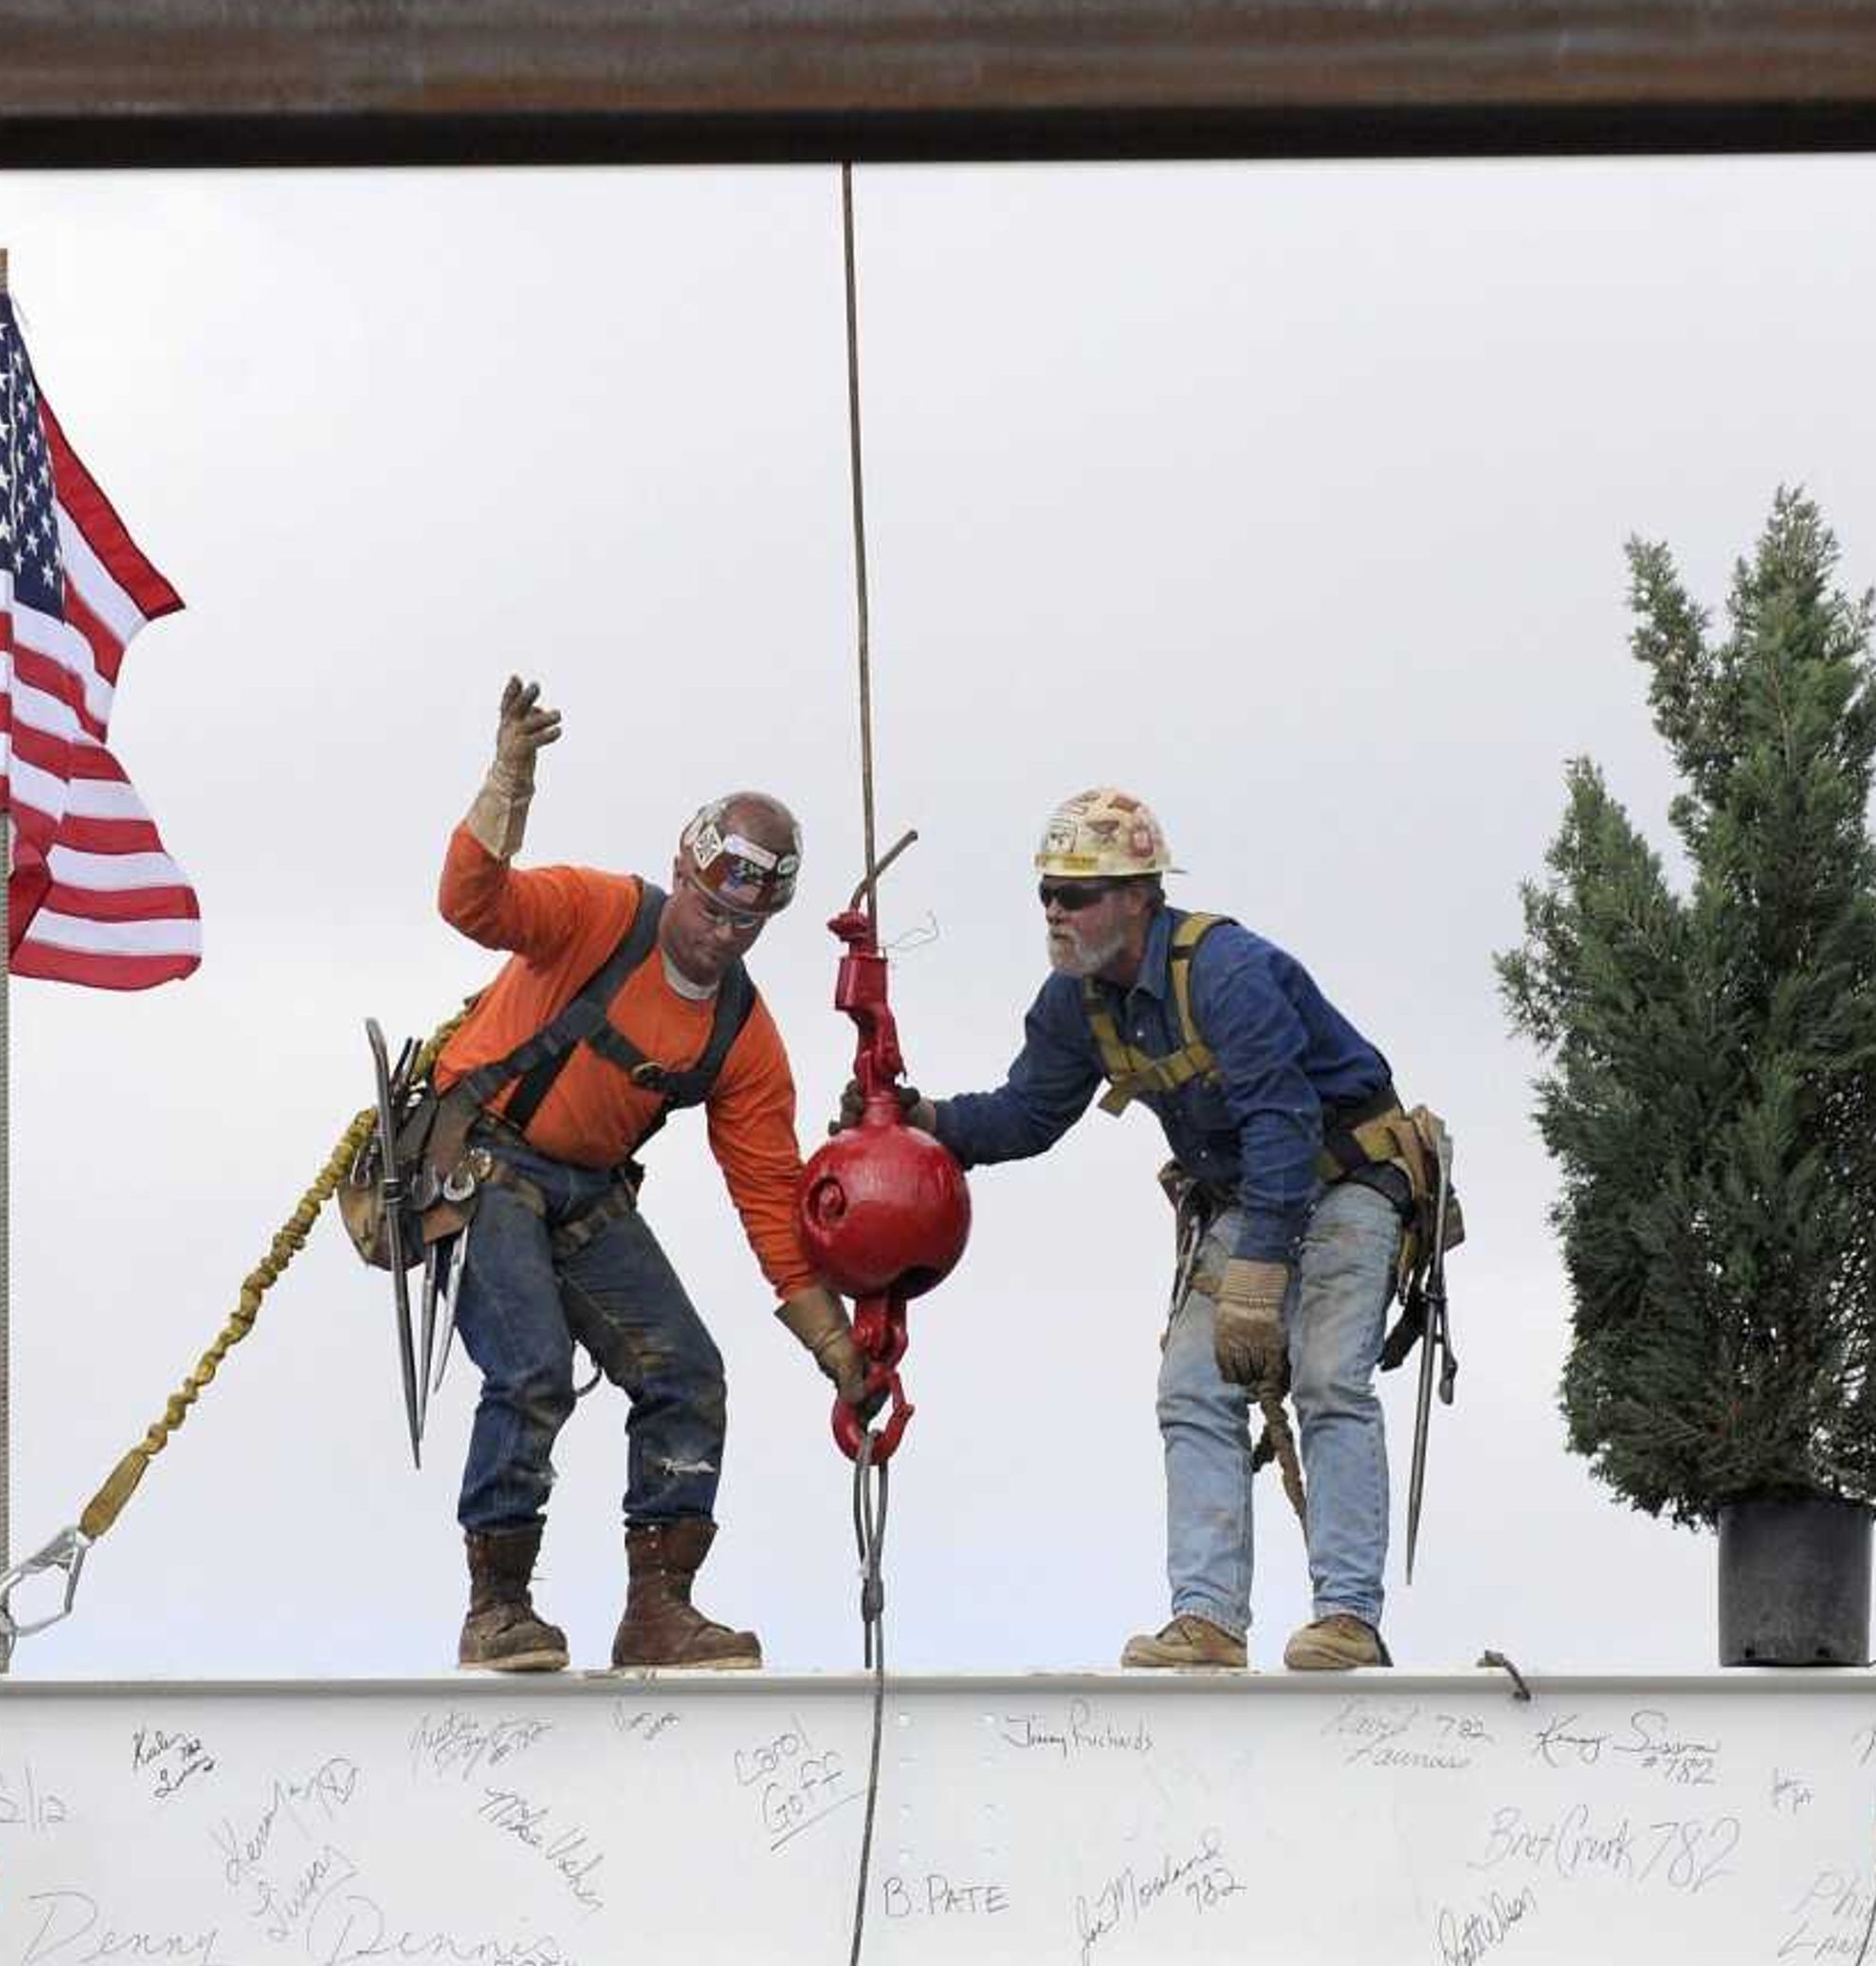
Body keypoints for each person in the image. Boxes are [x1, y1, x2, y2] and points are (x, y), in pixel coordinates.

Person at [874, 788, 1415, 1671]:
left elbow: (1282, 1118)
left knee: (1328, 1379)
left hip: (1344, 1176)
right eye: (1048, 892)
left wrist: (1259, 1274)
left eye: (1077, 894)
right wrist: (924, 1119)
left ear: (1138, 895)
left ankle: (1347, 1617)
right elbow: (1029, 1113)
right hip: (1247, 1194)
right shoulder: (1076, 1003)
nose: (1057, 910)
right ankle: (1206, 1619)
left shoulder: (1226, 972)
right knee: (1193, 1389)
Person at [427, 674, 874, 1671]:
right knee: (532, 1366)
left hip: (581, 1192)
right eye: (713, 906)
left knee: (686, 1370)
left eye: (745, 922)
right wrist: (510, 776)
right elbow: (474, 902)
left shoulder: (741, 1034)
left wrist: (836, 1345)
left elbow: (769, 1193)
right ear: (686, 872)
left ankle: (659, 1609)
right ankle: (496, 1606)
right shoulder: (598, 913)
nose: (722, 932)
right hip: (482, 1158)